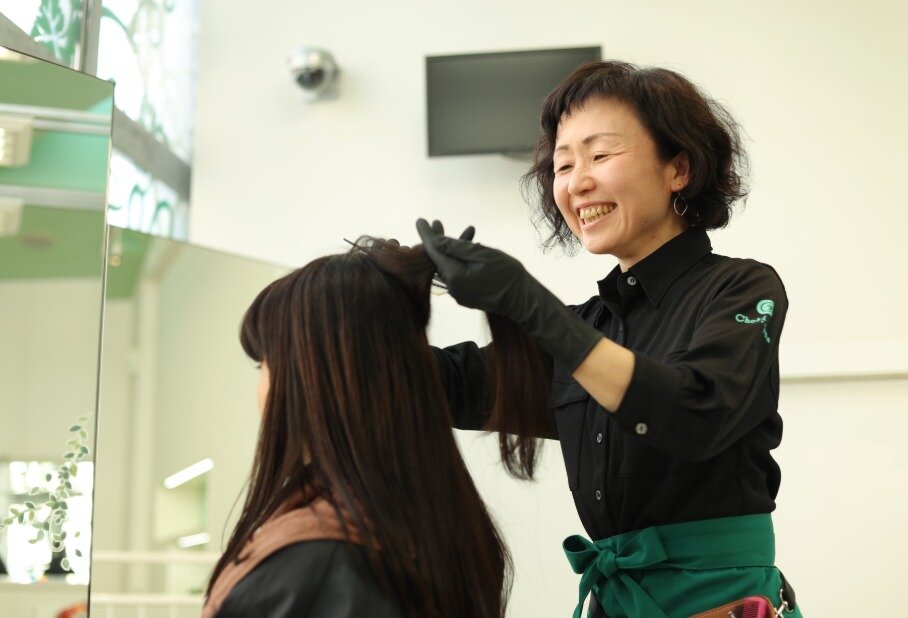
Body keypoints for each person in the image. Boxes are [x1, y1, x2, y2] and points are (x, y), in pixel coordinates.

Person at [417, 60, 802, 618]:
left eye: (600, 156)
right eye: (563, 163)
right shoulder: (587, 326)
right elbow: (447, 384)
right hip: (617, 602)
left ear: (679, 169)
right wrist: (365, 298)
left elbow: (696, 410)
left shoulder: (741, 288)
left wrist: (527, 302)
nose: (576, 182)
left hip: (719, 602)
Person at [202, 238, 513, 617]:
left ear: (308, 376)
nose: (261, 387)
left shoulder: (320, 565)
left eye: (264, 363)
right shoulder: (440, 527)